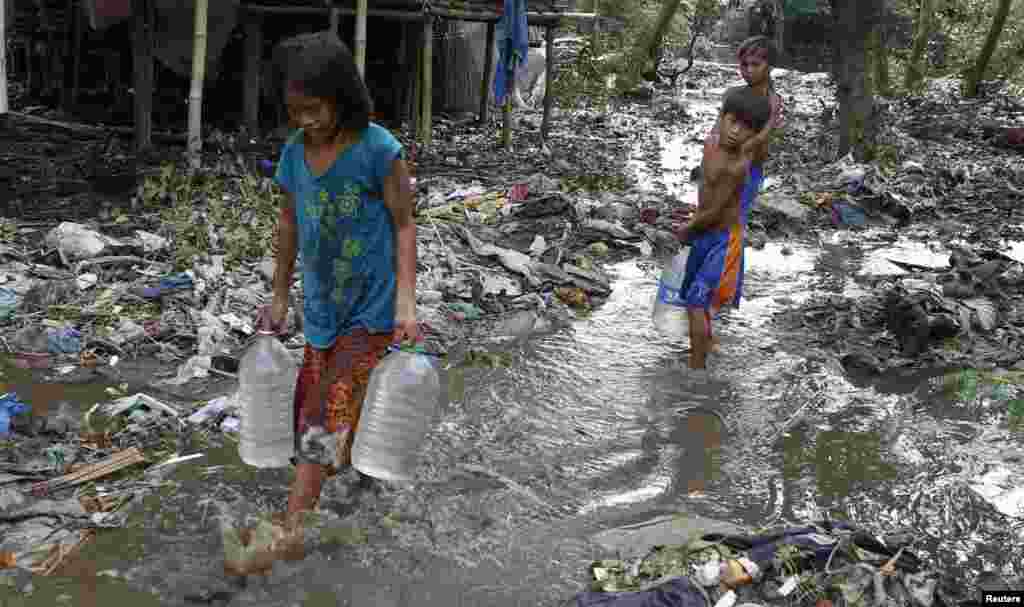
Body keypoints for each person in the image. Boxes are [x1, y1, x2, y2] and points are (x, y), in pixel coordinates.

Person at [262, 32, 419, 530]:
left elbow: (404, 224)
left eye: (315, 109)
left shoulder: (378, 149)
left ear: (342, 95)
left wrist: (407, 304)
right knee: (330, 402)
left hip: (371, 311)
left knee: (321, 413)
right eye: (296, 111)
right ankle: (361, 493)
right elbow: (288, 224)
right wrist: (281, 296)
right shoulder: (294, 153)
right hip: (321, 311)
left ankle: (290, 532)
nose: (306, 121)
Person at [673, 88, 772, 370]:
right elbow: (706, 193)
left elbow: (716, 210)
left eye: (745, 128)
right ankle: (707, 346)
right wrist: (693, 220)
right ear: (721, 118)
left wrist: (687, 227)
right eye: (732, 121)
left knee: (695, 302)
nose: (735, 131)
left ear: (751, 134)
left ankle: (696, 371)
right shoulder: (711, 143)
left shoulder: (738, 164)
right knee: (693, 297)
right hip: (704, 231)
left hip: (722, 239)